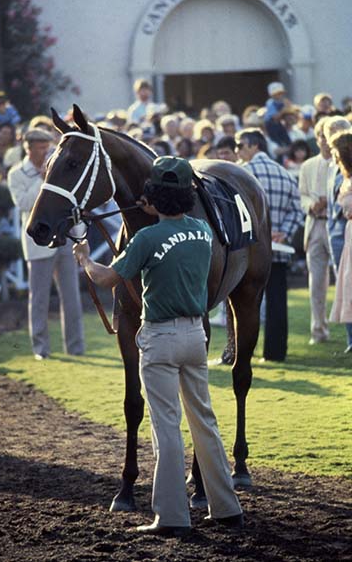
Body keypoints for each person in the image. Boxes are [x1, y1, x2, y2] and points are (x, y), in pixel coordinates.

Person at [73, 156, 243, 536]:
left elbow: (107, 279)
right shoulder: (202, 229)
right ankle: (227, 507)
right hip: (195, 338)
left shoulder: (146, 237)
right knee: (205, 421)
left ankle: (170, 516)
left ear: (152, 197)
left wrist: (84, 259)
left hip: (161, 339)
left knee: (167, 427)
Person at [8, 128, 85, 360]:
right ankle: (41, 349)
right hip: (38, 241)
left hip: (64, 236)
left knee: (72, 297)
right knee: (39, 298)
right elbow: (23, 204)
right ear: (29, 149)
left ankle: (76, 348)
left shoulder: (56, 166)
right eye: (41, 147)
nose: (46, 151)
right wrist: (42, 180)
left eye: (47, 146)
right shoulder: (16, 173)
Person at [236, 128, 304, 362]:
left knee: (245, 302)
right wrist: (282, 232)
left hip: (250, 252)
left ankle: (242, 352)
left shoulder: (241, 173)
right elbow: (297, 211)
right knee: (277, 302)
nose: (237, 151)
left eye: (240, 146)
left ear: (255, 146)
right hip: (278, 248)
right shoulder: (285, 174)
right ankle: (275, 353)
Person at [298, 118, 331, 345]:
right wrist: (312, 204)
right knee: (316, 282)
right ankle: (318, 330)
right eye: (322, 136)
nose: (326, 141)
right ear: (317, 138)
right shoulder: (307, 165)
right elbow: (302, 196)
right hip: (315, 225)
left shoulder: (345, 163)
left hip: (338, 224)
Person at [323, 116, 352, 353]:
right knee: (344, 282)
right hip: (339, 231)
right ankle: (351, 339)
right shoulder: (337, 172)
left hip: (348, 229)